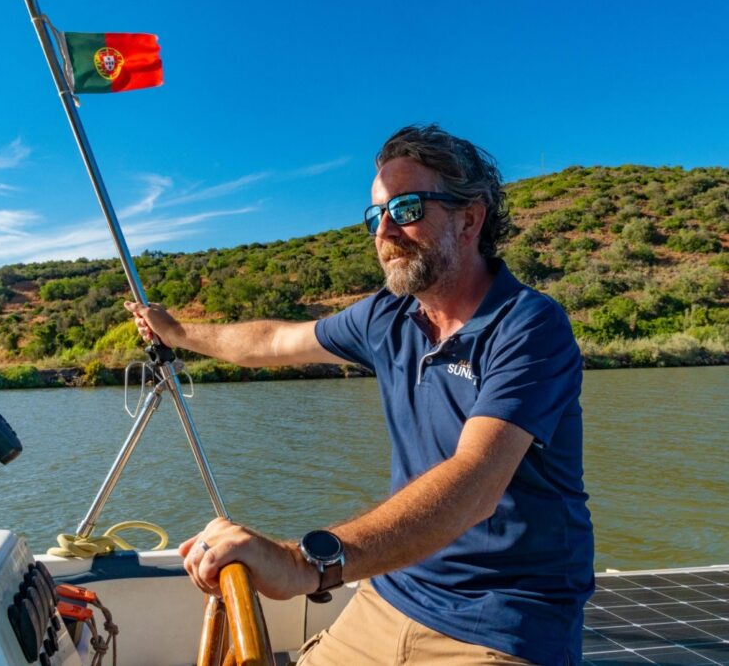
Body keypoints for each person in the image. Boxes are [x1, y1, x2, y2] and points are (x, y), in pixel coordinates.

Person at [126, 124, 593, 665]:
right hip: (389, 596)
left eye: (408, 207)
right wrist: (179, 333)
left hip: (503, 622)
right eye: (377, 215)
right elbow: (274, 340)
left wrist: (307, 564)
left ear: (470, 218)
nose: (385, 230)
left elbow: (475, 483)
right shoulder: (386, 318)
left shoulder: (528, 326)